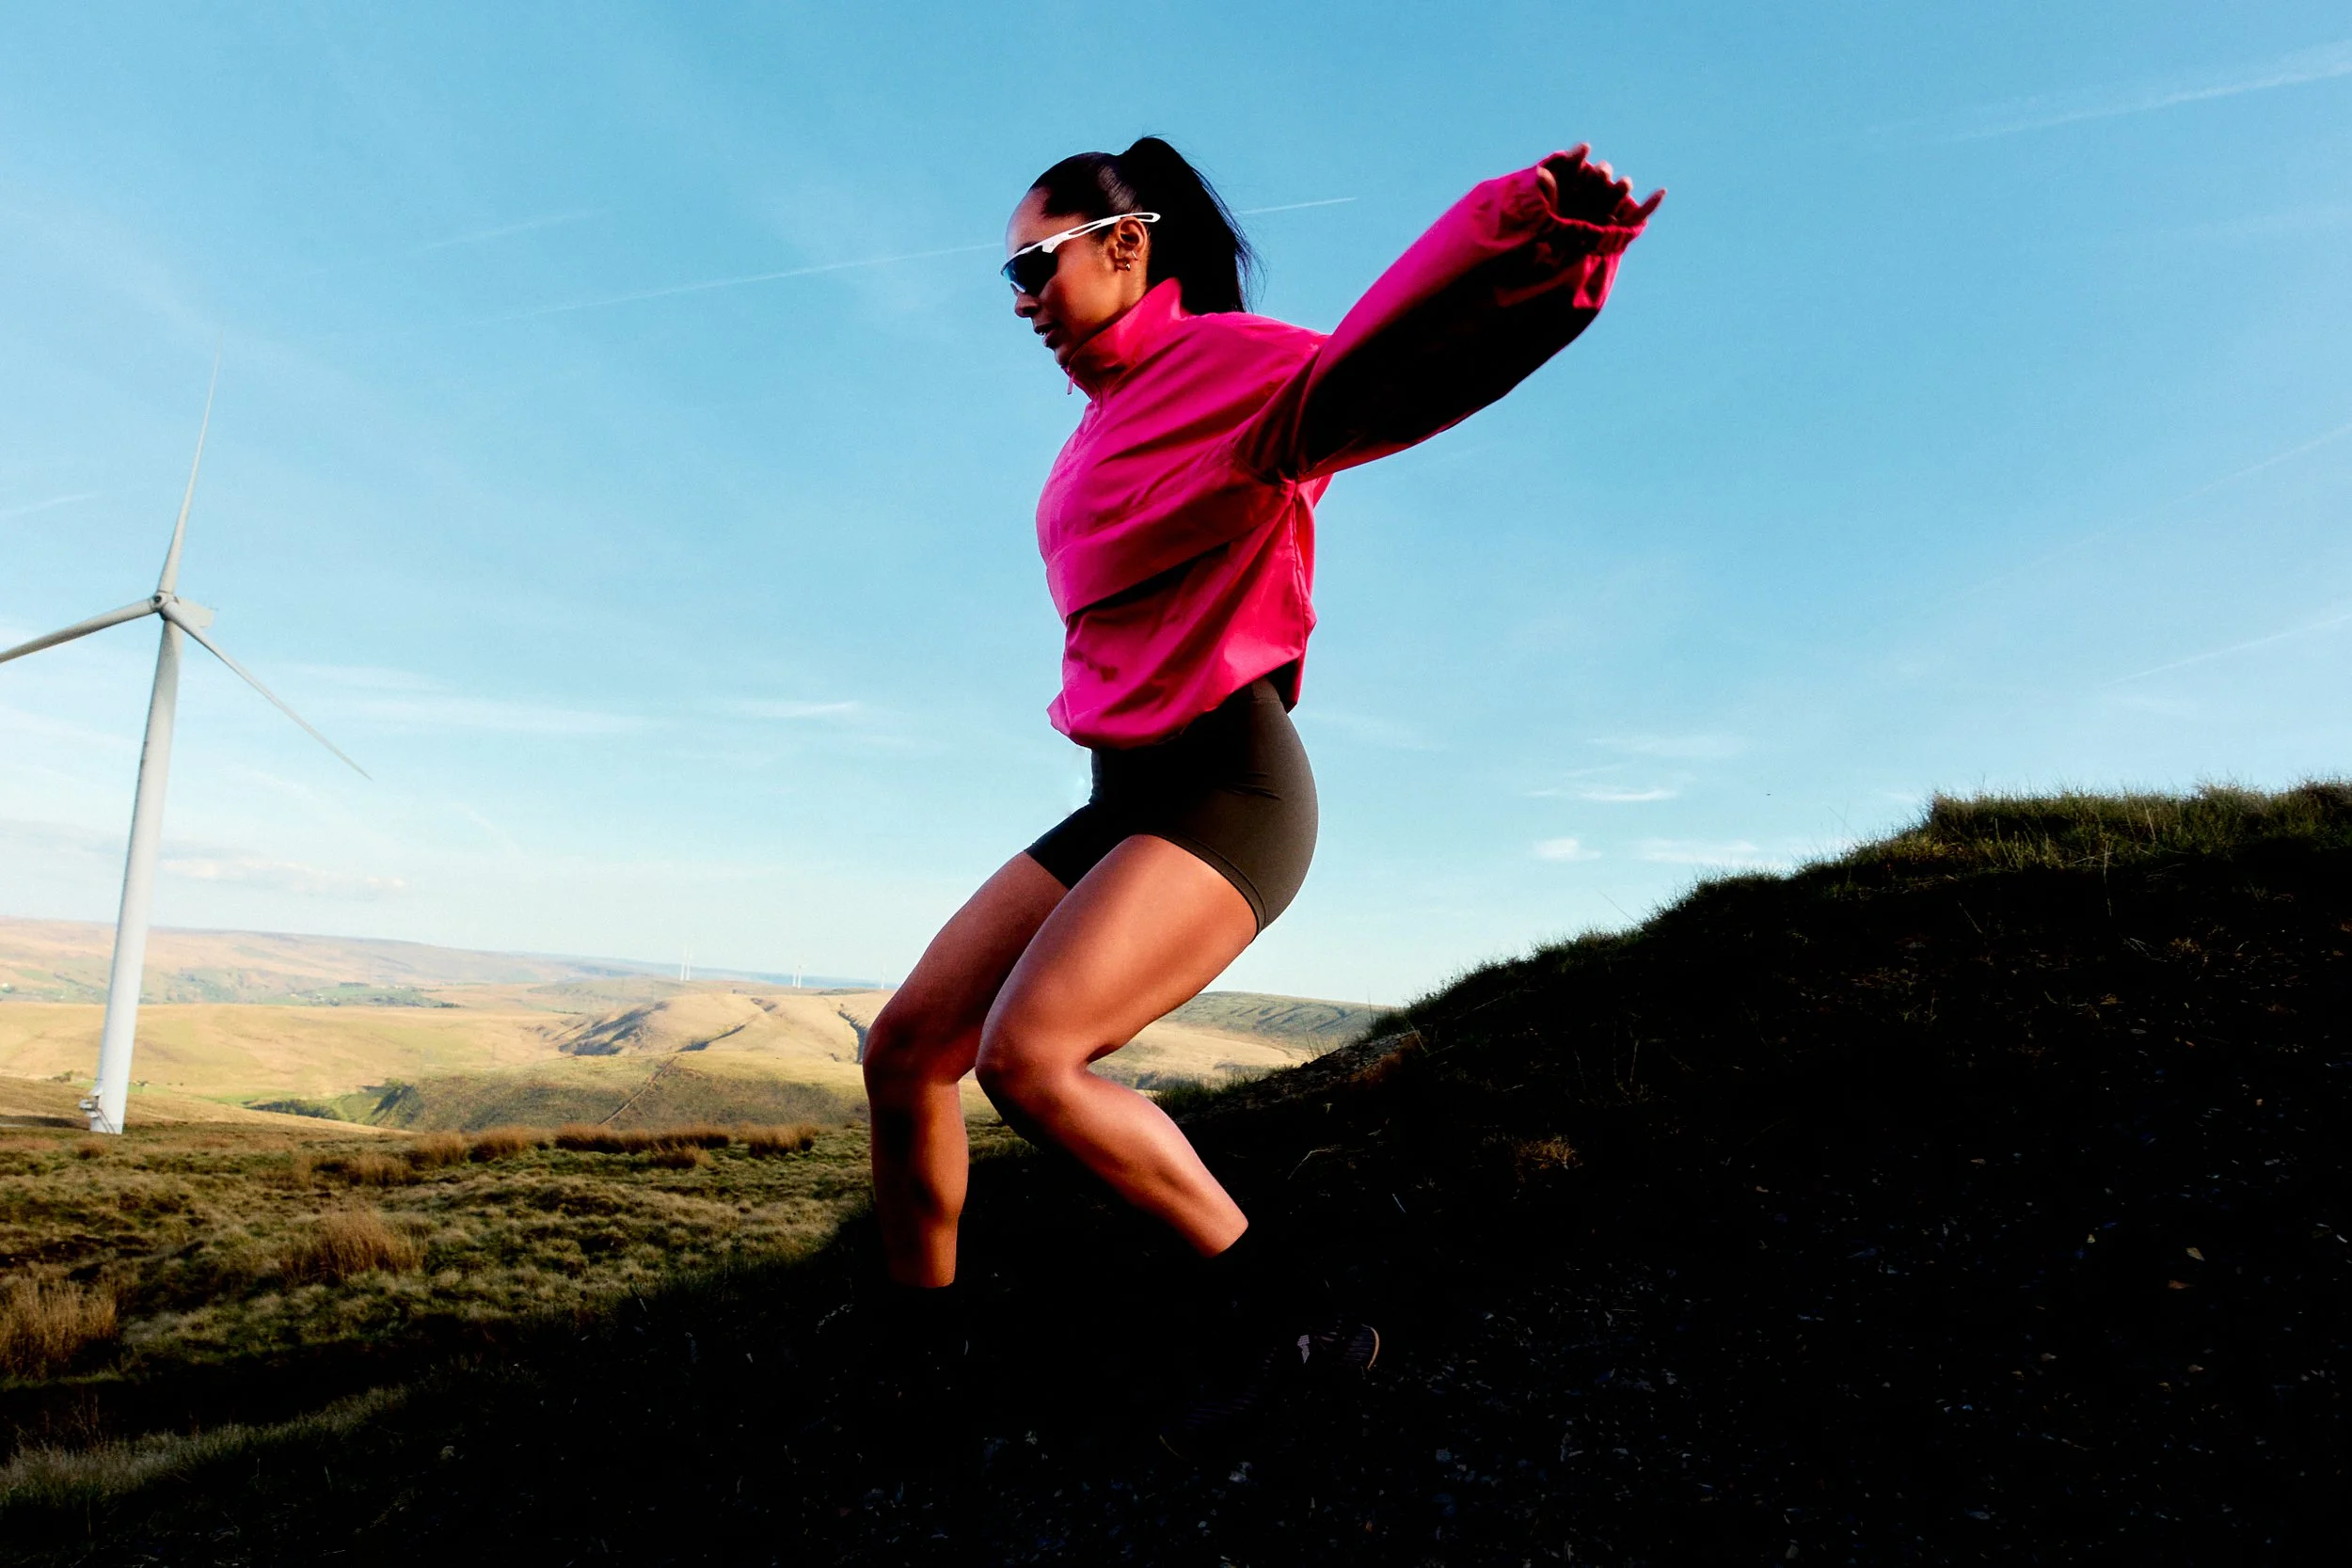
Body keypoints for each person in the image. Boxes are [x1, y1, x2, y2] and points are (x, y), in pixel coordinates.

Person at [860, 135, 1661, 1454]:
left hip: (1229, 790)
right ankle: (916, 1339)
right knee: (906, 1049)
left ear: (1127, 244)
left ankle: (1300, 1328)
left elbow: (1395, 361)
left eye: (1031, 265)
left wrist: (1536, 239)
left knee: (1031, 1058)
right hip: (1125, 789)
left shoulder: (1239, 366)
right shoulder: (1101, 420)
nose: (1019, 302)